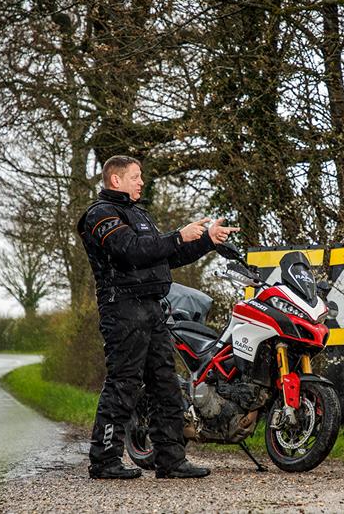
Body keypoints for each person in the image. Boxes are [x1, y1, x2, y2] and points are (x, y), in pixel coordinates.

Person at [77, 155, 239, 480]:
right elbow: (131, 250)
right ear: (115, 180)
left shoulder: (139, 214)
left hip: (153, 308)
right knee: (124, 383)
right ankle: (104, 461)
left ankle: (171, 460)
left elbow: (164, 254)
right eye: (135, 177)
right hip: (122, 308)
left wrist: (206, 240)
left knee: (165, 384)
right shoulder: (100, 215)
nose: (141, 182)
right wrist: (178, 234)